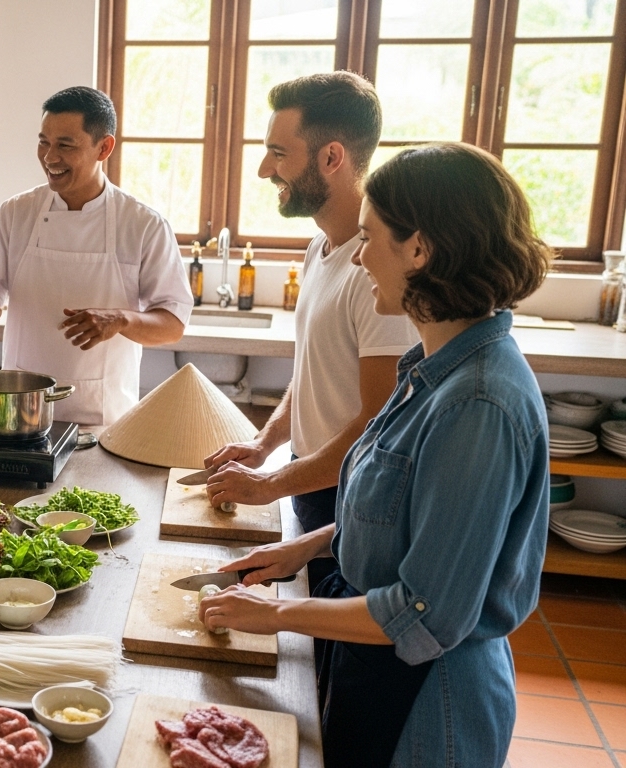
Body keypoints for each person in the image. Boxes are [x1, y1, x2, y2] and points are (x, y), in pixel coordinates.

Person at [199, 143, 552, 768]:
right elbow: (401, 512)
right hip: (381, 664)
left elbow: (427, 612)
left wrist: (279, 613)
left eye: (370, 237)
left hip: (429, 695)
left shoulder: (478, 402)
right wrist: (304, 548)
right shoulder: (433, 368)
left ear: (421, 249)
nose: (359, 257)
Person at [203, 73, 417, 590]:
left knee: (332, 652)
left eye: (278, 153)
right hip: (313, 476)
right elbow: (314, 373)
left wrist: (269, 484)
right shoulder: (320, 249)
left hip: (350, 491)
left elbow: (375, 425)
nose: (262, 169)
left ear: (332, 158)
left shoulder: (379, 273)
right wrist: (264, 443)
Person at [0, 86, 192, 426]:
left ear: (104, 147)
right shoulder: (16, 213)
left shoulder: (143, 225)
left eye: (65, 145)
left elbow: (172, 324)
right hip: (21, 415)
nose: (50, 157)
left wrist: (121, 320)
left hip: (103, 419)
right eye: (44, 142)